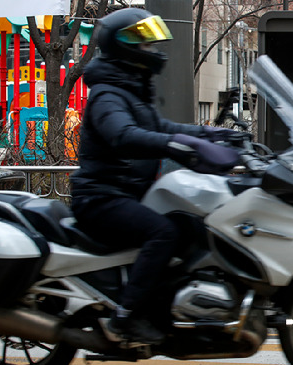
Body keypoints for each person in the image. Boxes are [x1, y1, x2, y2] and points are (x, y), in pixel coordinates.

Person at [70, 8, 241, 345]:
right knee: (162, 232)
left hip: (127, 192)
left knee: (189, 226)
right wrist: (175, 146)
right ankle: (127, 316)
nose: (152, 51)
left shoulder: (128, 90)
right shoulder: (107, 95)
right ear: (123, 47)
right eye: (144, 44)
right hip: (102, 197)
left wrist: (211, 135)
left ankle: (169, 309)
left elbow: (162, 127)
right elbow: (123, 135)